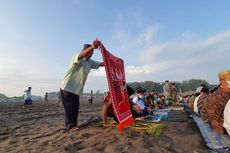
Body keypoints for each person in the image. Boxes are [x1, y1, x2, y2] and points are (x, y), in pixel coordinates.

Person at [60, 40, 104, 131]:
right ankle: (70, 126)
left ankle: (74, 125)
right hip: (67, 87)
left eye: (92, 53)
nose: (91, 54)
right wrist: (92, 46)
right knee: (69, 108)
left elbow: (100, 64)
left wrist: (109, 61)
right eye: (89, 52)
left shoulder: (90, 62)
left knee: (75, 107)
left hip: (77, 89)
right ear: (84, 51)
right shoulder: (76, 57)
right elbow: (81, 55)